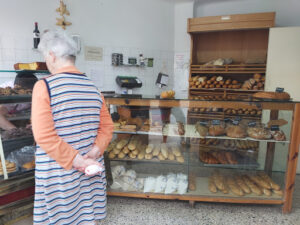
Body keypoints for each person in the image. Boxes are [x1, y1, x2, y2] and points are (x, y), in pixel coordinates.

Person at [31, 30, 113, 225]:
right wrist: (94, 152)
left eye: (45, 57)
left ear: (51, 55)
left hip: (59, 176)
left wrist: (76, 160)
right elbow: (107, 127)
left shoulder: (44, 86)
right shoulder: (93, 87)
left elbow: (43, 136)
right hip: (89, 172)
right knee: (86, 217)